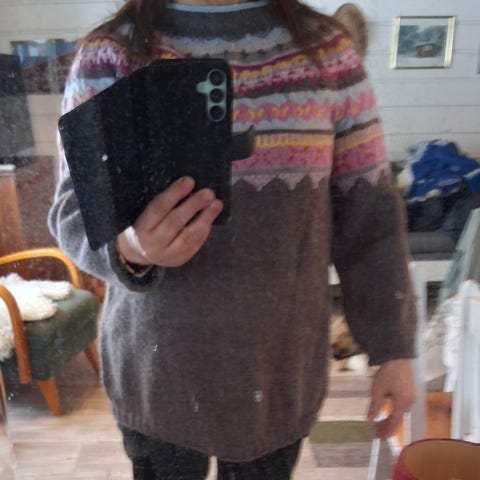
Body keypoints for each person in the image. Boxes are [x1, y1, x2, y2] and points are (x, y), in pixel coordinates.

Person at [48, 0, 417, 478]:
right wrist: (131, 248)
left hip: (277, 375)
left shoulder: (327, 55)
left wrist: (393, 349)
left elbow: (370, 222)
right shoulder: (111, 56)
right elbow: (72, 208)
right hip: (157, 374)